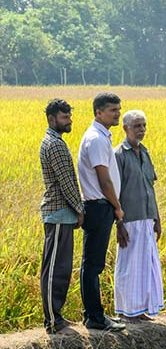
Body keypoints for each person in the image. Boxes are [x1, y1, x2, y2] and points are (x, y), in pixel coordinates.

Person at [77, 92, 126, 331]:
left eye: (118, 109)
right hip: (98, 206)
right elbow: (104, 180)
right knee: (93, 264)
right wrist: (117, 207)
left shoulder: (101, 136)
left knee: (94, 263)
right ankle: (94, 317)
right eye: (112, 110)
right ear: (98, 112)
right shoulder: (96, 138)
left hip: (100, 206)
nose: (117, 113)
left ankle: (95, 315)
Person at [38, 99, 85, 334]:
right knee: (54, 269)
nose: (69, 121)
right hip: (57, 213)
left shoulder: (56, 141)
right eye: (64, 117)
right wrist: (80, 209)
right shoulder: (54, 144)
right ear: (52, 119)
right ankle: (53, 321)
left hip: (61, 214)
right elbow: (66, 181)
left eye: (69, 116)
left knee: (61, 268)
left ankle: (57, 317)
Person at [113, 110, 164, 321]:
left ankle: (141, 309)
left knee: (146, 265)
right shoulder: (118, 155)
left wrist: (157, 218)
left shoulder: (145, 152)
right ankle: (126, 312)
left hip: (146, 218)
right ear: (125, 128)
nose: (141, 130)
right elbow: (115, 191)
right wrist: (119, 223)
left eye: (143, 125)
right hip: (129, 219)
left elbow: (150, 188)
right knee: (128, 266)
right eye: (137, 126)